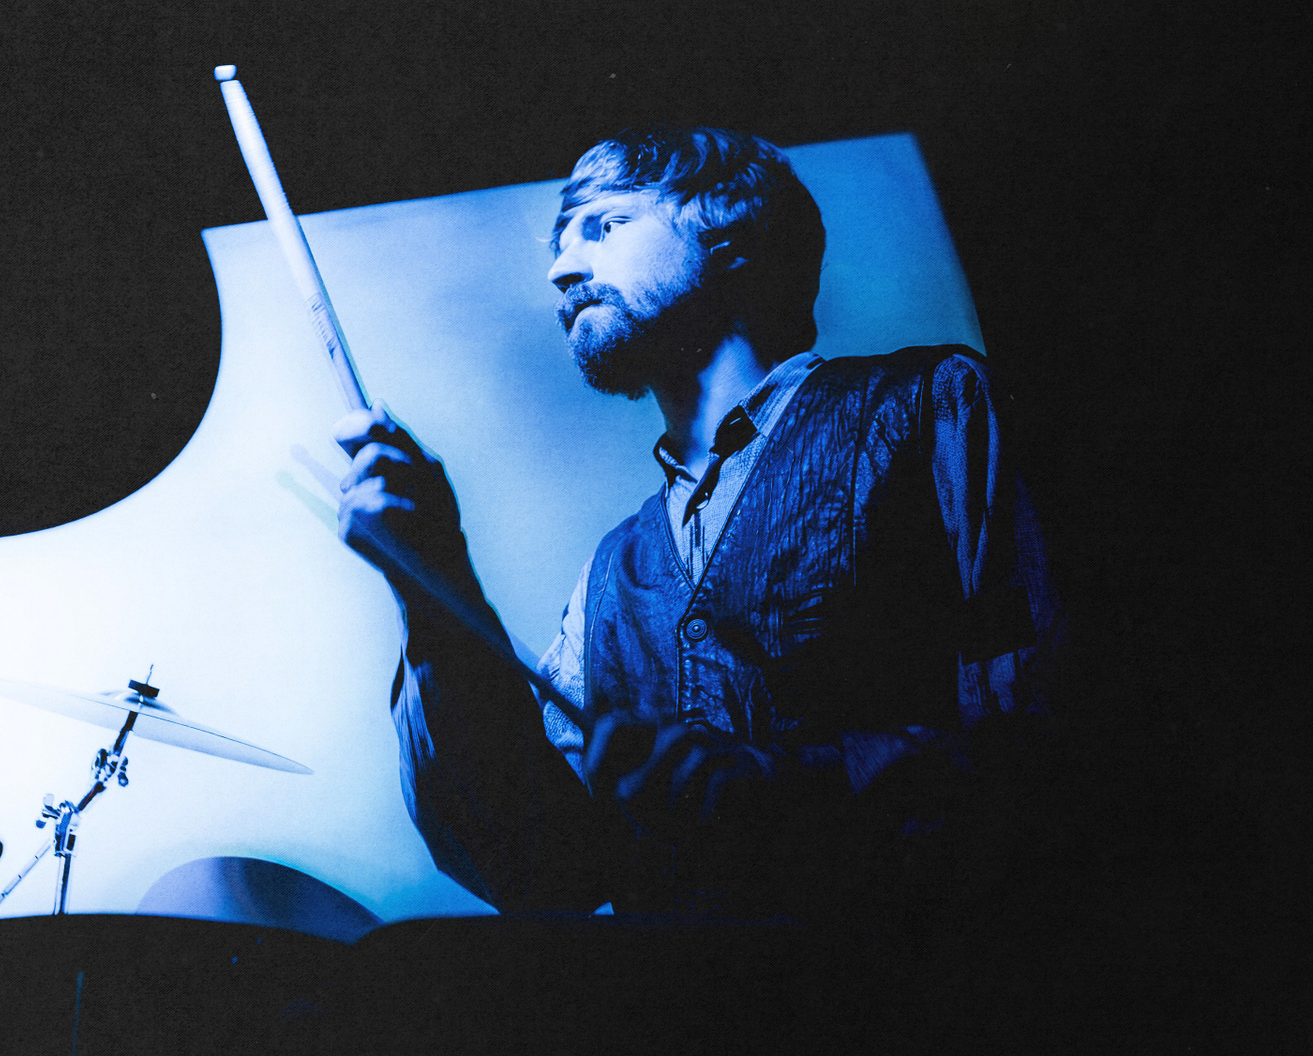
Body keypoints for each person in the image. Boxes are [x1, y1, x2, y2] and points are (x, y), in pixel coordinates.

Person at [334, 126, 1064, 922]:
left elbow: (1055, 744)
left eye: (604, 225)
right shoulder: (612, 570)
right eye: (559, 243)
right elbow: (540, 872)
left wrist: (778, 790)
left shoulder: (933, 407)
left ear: (733, 237)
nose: (559, 269)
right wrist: (434, 588)